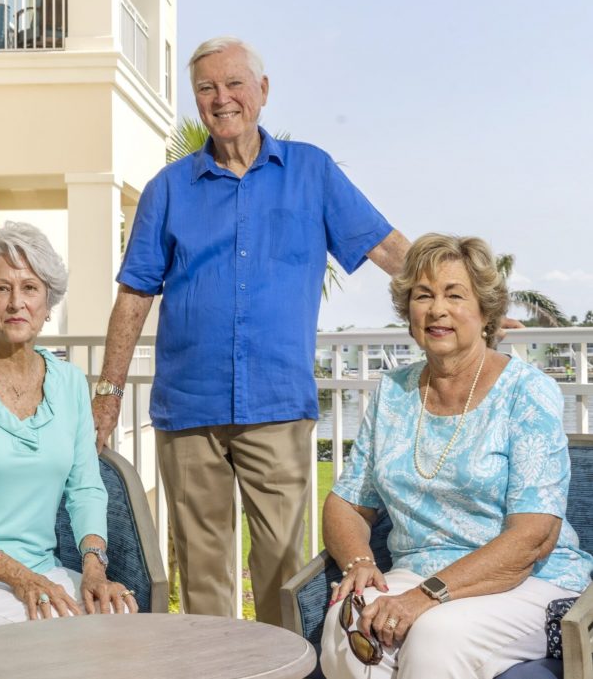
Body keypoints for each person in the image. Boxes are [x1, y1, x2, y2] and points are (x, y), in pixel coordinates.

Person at [91, 36, 411, 625]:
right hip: (189, 409)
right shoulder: (168, 188)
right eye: (207, 88)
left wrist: (466, 303)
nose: (222, 98)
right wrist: (108, 395)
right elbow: (135, 294)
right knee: (202, 568)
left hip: (278, 404)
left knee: (285, 570)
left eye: (234, 83)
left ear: (262, 91)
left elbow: (387, 247)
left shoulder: (310, 170)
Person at [320, 233, 592, 679]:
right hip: (416, 571)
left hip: (526, 581)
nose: (437, 309)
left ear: (485, 312)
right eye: (423, 296)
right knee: (347, 624)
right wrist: (359, 562)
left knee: (435, 638)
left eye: (454, 295)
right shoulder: (393, 392)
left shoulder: (526, 391)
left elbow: (533, 535)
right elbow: (348, 501)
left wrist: (427, 596)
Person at [0, 222, 138, 625]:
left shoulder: (70, 382)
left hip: (45, 572)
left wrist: (94, 569)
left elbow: (86, 487)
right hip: (3, 579)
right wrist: (19, 578)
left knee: (118, 616)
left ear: (48, 304)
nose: (16, 302)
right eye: (1, 288)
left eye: (30, 289)